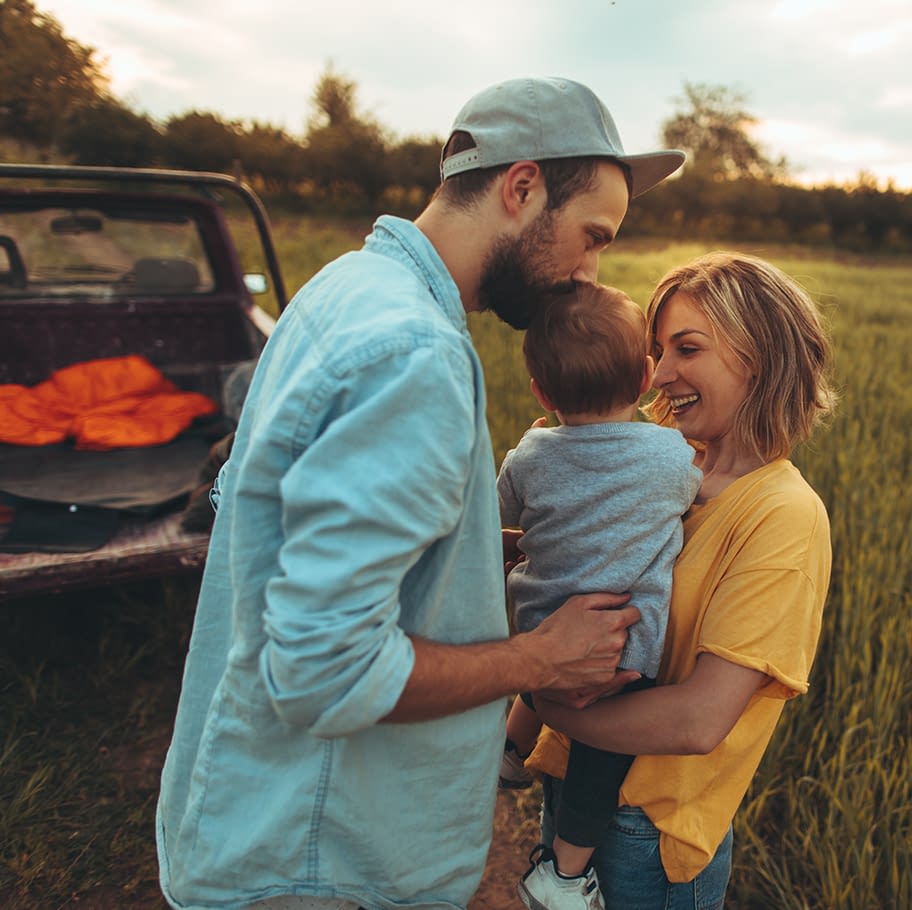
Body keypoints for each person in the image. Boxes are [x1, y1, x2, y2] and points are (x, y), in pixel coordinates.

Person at [155, 76, 684, 910]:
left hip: (274, 820)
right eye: (592, 237)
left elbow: (315, 539)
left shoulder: (344, 291)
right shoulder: (413, 355)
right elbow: (326, 672)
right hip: (325, 863)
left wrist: (485, 549)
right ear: (521, 187)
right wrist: (540, 657)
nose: (588, 272)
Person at [526, 251, 837, 909]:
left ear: (756, 356)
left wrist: (545, 699)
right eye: (656, 351)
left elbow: (699, 719)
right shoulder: (660, 467)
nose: (659, 375)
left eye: (686, 349)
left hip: (649, 837)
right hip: (571, 787)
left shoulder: (783, 516)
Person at [494, 283, 702, 910]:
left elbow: (494, 514)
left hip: (538, 626)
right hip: (620, 647)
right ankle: (562, 875)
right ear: (645, 377)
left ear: (541, 392)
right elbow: (690, 495)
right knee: (602, 757)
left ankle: (507, 751)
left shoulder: (529, 454)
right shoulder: (670, 454)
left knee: (544, 658)